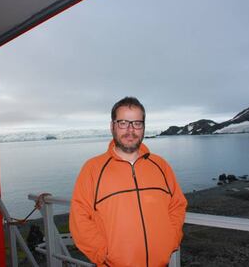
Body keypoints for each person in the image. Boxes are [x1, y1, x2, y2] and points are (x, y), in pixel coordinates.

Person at [69, 97, 187, 267]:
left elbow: (177, 205)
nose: (130, 130)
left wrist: (171, 240)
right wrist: (102, 252)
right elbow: (79, 218)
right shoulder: (93, 169)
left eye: (137, 123)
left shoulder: (161, 166)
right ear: (112, 126)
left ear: (143, 127)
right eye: (123, 123)